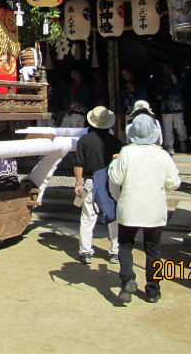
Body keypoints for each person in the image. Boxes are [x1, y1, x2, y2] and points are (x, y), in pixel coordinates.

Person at [108, 114, 181, 304]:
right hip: (154, 208)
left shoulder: (126, 153)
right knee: (153, 249)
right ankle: (153, 290)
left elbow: (116, 179)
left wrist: (114, 164)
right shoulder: (162, 155)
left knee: (125, 245)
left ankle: (128, 279)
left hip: (130, 206)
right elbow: (174, 182)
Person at [73, 106, 122, 266]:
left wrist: (78, 183)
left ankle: (86, 251)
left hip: (90, 181)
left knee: (88, 217)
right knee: (113, 216)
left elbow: (79, 164)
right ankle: (115, 251)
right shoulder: (115, 142)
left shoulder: (84, 140)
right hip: (111, 181)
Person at [159, 63, 188, 154]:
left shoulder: (179, 78)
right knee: (167, 127)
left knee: (179, 126)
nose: (166, 71)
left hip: (177, 106)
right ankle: (170, 145)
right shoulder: (161, 79)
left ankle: (182, 141)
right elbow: (159, 91)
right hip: (166, 107)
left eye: (168, 68)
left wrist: (173, 78)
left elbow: (181, 88)